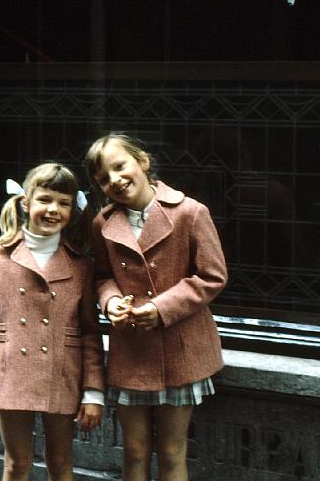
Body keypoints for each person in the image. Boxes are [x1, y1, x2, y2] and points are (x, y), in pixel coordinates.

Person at [84, 134, 228, 481]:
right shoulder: (103, 224)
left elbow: (212, 276)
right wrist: (111, 302)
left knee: (172, 451)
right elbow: (102, 276)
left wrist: (162, 308)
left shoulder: (190, 213)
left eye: (120, 166)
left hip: (181, 350)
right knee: (133, 451)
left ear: (143, 162)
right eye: (103, 178)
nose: (115, 180)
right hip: (131, 352)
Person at [0, 162, 105, 481]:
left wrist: (94, 392)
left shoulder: (81, 266)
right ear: (26, 203)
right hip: (12, 374)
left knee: (61, 465)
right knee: (16, 464)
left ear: (73, 209)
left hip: (63, 375)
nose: (53, 209)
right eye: (44, 199)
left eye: (63, 202)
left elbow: (90, 334)